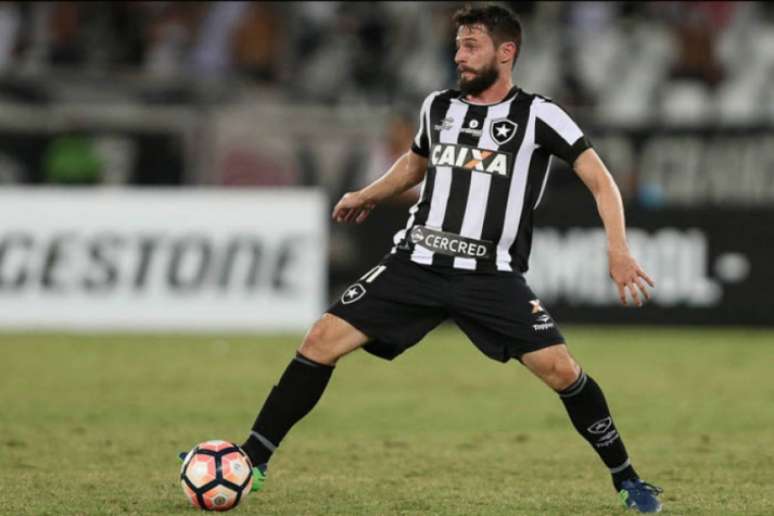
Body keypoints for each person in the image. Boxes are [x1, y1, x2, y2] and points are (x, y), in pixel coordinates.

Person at [232, 4, 662, 513]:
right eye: (457, 45)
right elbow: (415, 163)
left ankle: (627, 479)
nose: (458, 55)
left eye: (471, 46)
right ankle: (249, 460)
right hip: (417, 260)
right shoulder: (438, 106)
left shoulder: (539, 114)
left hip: (489, 274)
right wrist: (369, 193)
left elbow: (599, 178)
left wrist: (617, 249)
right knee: (321, 339)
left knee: (561, 370)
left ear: (506, 53)